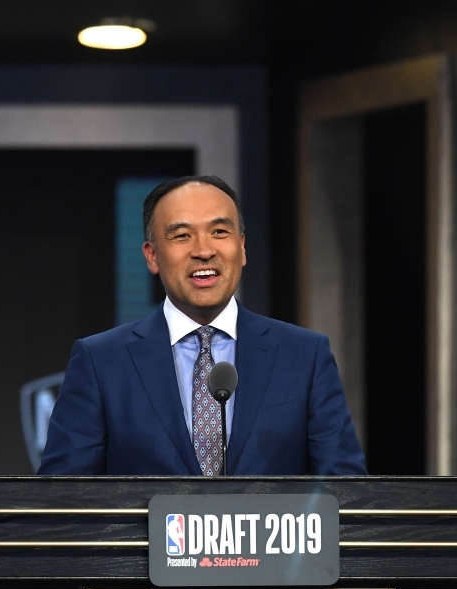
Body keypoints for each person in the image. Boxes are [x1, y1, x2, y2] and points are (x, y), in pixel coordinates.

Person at [38, 175, 366, 476]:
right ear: (152, 256)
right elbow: (64, 501)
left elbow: (346, 494)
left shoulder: (304, 356)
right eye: (182, 235)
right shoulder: (100, 362)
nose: (204, 250)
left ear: (242, 247)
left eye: (220, 232)